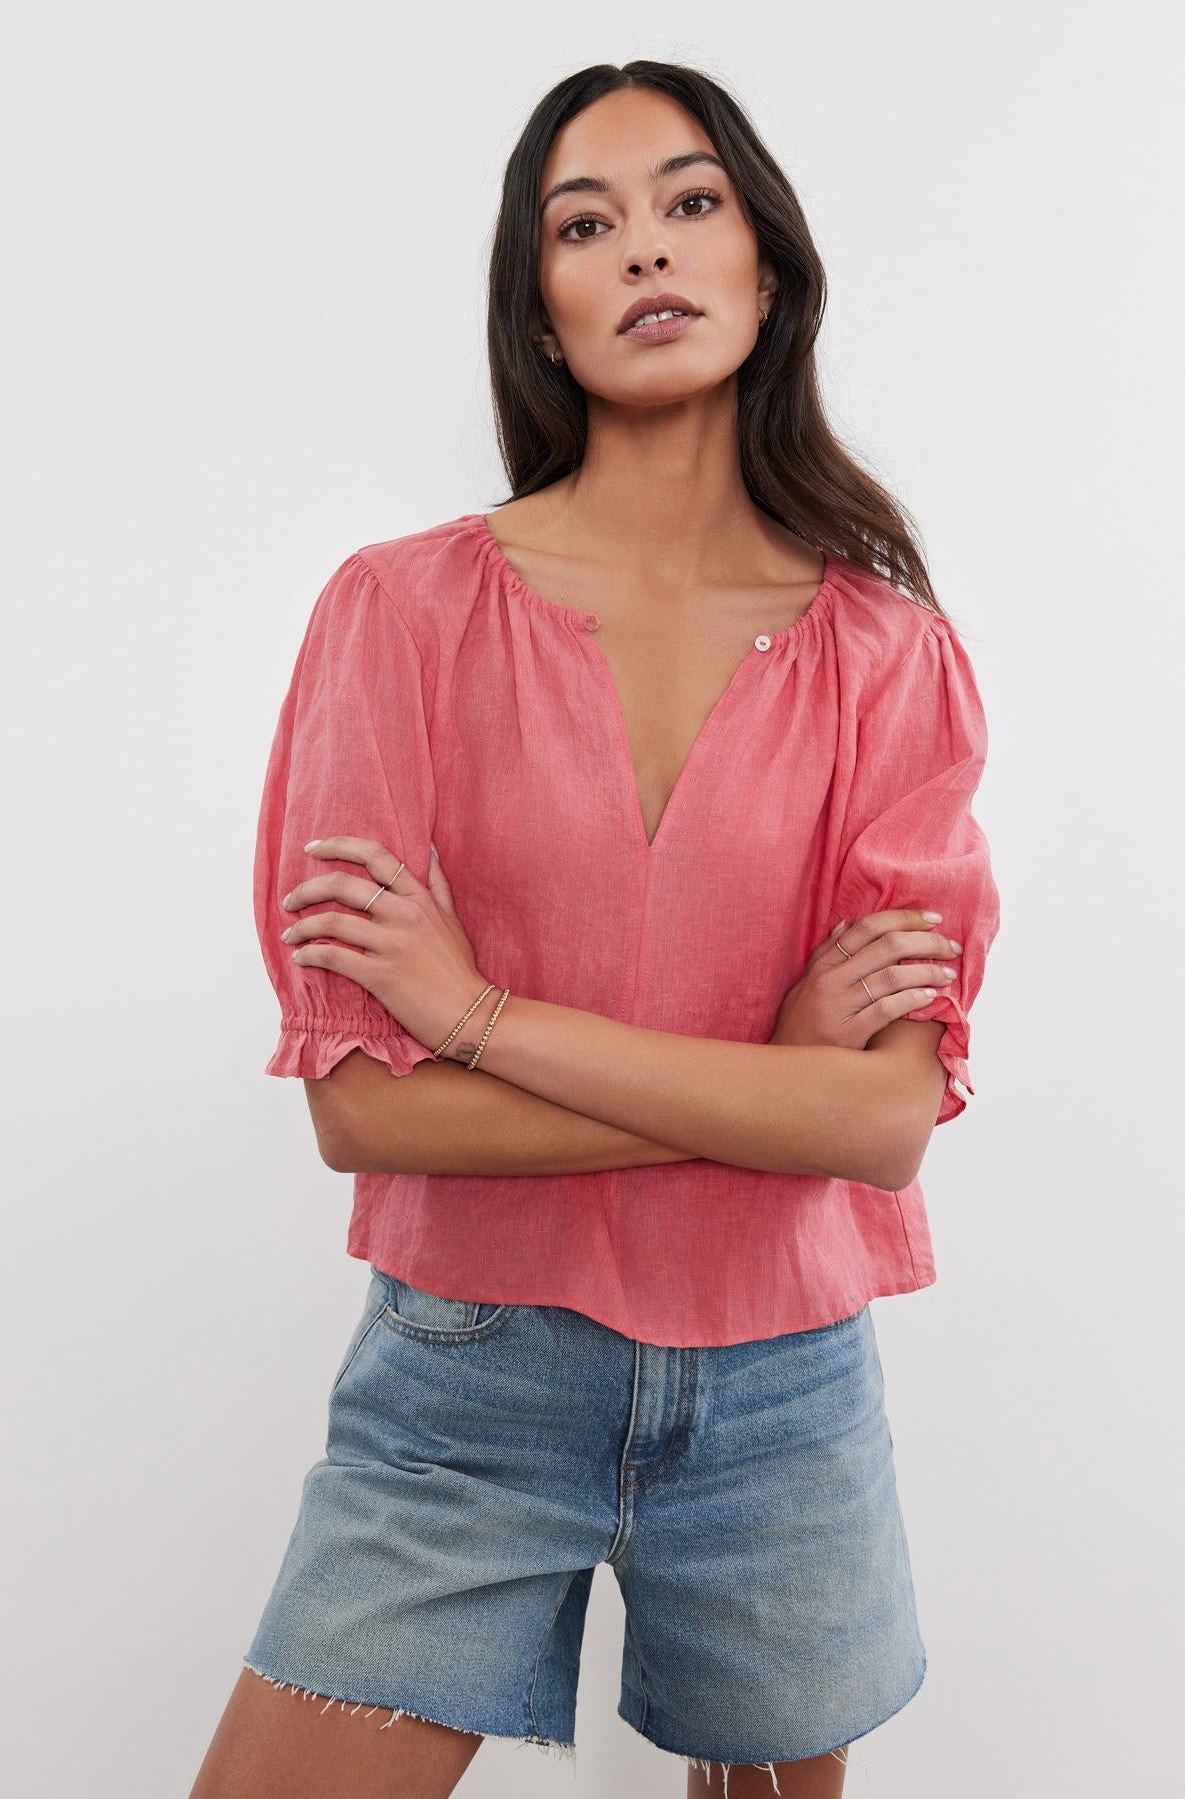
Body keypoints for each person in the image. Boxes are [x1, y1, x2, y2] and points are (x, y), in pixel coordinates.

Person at [190, 59, 1001, 1799]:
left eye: (691, 202)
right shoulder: (397, 615)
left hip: (785, 1385)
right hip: (470, 1376)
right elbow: (366, 1111)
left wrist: (478, 1014)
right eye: (587, 220)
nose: (646, 247)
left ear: (766, 269)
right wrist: (758, 1086)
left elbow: (874, 1125)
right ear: (540, 311)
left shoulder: (889, 653)